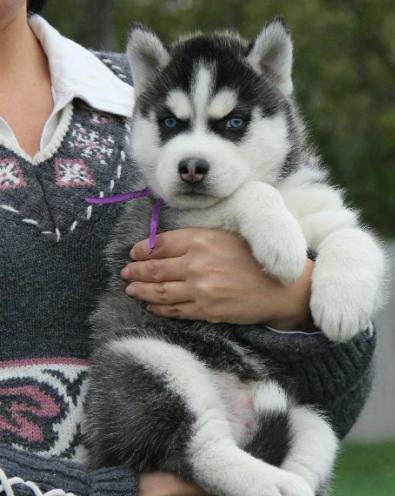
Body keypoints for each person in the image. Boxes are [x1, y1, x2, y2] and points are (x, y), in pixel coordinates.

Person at [0, 1, 376, 495]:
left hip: (254, 430)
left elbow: (337, 394)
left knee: (314, 433)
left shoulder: (131, 86)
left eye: (231, 124)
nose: (195, 158)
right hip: (147, 432)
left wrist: (292, 304)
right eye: (175, 126)